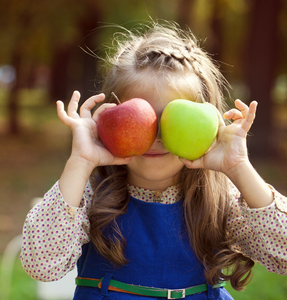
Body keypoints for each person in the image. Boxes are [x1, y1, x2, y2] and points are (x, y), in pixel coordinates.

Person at [20, 23, 287, 299]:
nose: (157, 136)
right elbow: (41, 265)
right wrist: (80, 161)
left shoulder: (218, 198)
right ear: (112, 114)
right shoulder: (92, 191)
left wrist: (238, 167)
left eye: (173, 119)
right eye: (142, 118)